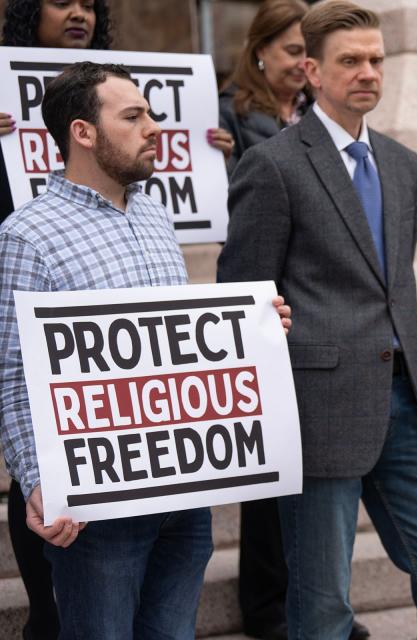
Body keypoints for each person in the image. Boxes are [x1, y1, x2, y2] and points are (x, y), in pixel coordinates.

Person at [217, 2, 417, 638]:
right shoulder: (274, 163)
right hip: (317, 407)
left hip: (404, 401)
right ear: (310, 70)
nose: (368, 72)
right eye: (350, 61)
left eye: (376, 60)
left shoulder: (403, 163)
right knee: (322, 602)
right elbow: (243, 291)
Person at [0, 61, 291, 640]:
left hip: (184, 496)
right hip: (98, 508)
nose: (154, 127)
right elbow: (14, 376)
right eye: (133, 116)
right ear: (83, 133)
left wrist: (250, 332)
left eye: (152, 113)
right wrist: (37, 480)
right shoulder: (26, 234)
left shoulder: (158, 216)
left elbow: (169, 343)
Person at [219, 3, 367, 639]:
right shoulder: (231, 117)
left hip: (316, 316)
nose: (297, 64)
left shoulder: (320, 119)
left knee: (305, 487)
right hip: (267, 302)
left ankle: (314, 606)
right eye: (287, 51)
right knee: (268, 475)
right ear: (260, 53)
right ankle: (269, 604)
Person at [0, 0, 235, 225]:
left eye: (88, 6)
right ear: (31, 12)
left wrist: (205, 158)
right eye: (62, 4)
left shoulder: (120, 82)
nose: (78, 14)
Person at [219, 0, 312, 175]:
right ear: (261, 50)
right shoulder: (228, 114)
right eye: (293, 51)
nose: (304, 63)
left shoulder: (321, 108)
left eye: (310, 53)